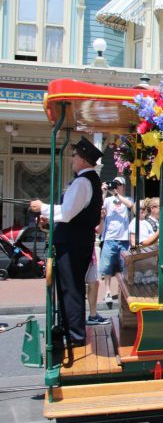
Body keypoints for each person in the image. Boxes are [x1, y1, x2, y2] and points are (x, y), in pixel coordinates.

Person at [30, 137, 103, 346]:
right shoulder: (88, 180)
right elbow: (70, 211)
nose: (72, 160)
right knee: (69, 287)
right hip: (76, 240)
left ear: (83, 160)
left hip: (73, 242)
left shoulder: (82, 181)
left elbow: (69, 212)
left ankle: (75, 335)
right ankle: (70, 330)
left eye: (74, 156)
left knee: (71, 288)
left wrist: (42, 207)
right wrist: (51, 216)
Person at [99, 176, 133, 307]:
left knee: (123, 267)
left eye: (118, 184)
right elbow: (99, 207)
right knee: (107, 267)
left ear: (123, 186)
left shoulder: (127, 199)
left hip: (123, 239)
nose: (116, 185)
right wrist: (103, 192)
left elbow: (131, 206)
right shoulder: (108, 200)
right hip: (109, 238)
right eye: (114, 183)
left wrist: (117, 194)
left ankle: (122, 292)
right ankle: (107, 292)